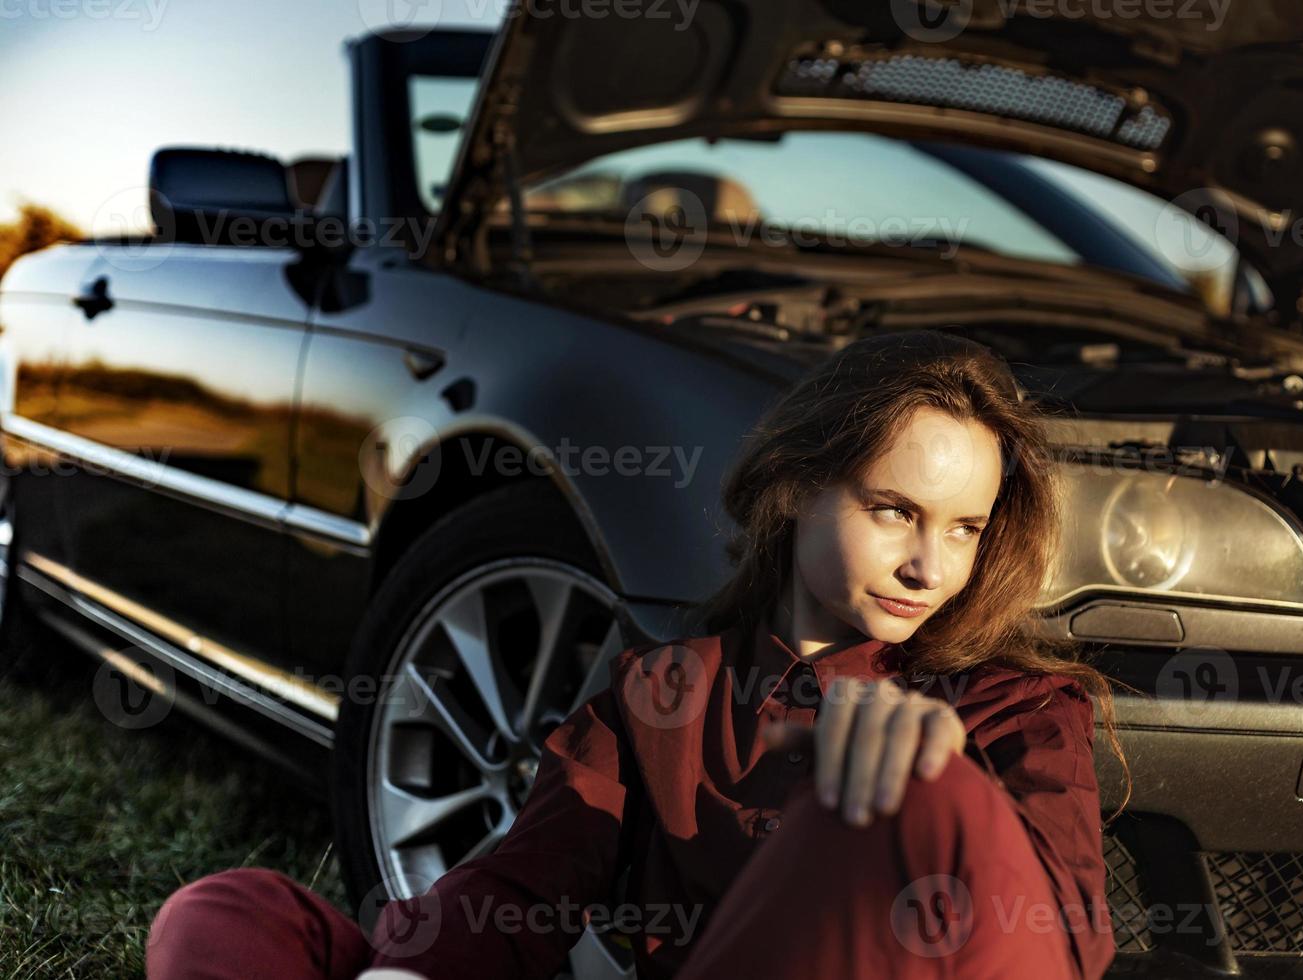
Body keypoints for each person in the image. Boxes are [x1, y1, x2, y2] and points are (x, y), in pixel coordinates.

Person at [146, 329, 1130, 980]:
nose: (928, 564)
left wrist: (927, 779)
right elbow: (523, 891)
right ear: (791, 489)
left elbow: (1067, 948)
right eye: (894, 510)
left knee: (921, 790)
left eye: (964, 526)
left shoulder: (1024, 709)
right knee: (228, 913)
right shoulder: (665, 691)